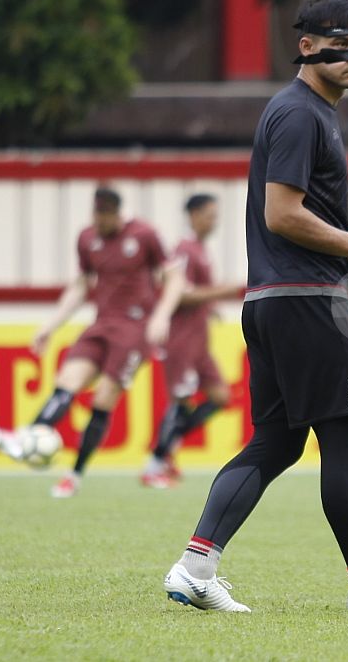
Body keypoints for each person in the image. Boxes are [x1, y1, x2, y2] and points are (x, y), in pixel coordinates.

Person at [161, 0, 348, 613]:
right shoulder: (300, 114)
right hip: (307, 305)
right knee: (344, 437)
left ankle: (195, 567)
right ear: (307, 44)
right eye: (341, 40)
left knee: (277, 441)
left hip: (275, 300)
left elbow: (301, 216)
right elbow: (283, 214)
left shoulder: (306, 112)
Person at [0, 186, 184, 497]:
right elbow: (80, 286)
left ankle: (73, 475)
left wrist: (162, 315)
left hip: (134, 330)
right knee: (66, 382)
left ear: (117, 213)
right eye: (96, 216)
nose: (100, 224)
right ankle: (27, 438)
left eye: (106, 217)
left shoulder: (144, 234)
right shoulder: (87, 238)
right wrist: (50, 325)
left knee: (102, 400)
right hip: (100, 325)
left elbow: (174, 277)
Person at [141, 194, 242, 488]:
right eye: (210, 215)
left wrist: (211, 308)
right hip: (182, 339)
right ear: (194, 215)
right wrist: (220, 293)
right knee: (180, 401)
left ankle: (167, 449)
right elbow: (180, 293)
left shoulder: (199, 249)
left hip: (200, 341)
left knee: (220, 397)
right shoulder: (184, 250)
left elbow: (196, 293)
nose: (214, 221)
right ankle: (154, 465)